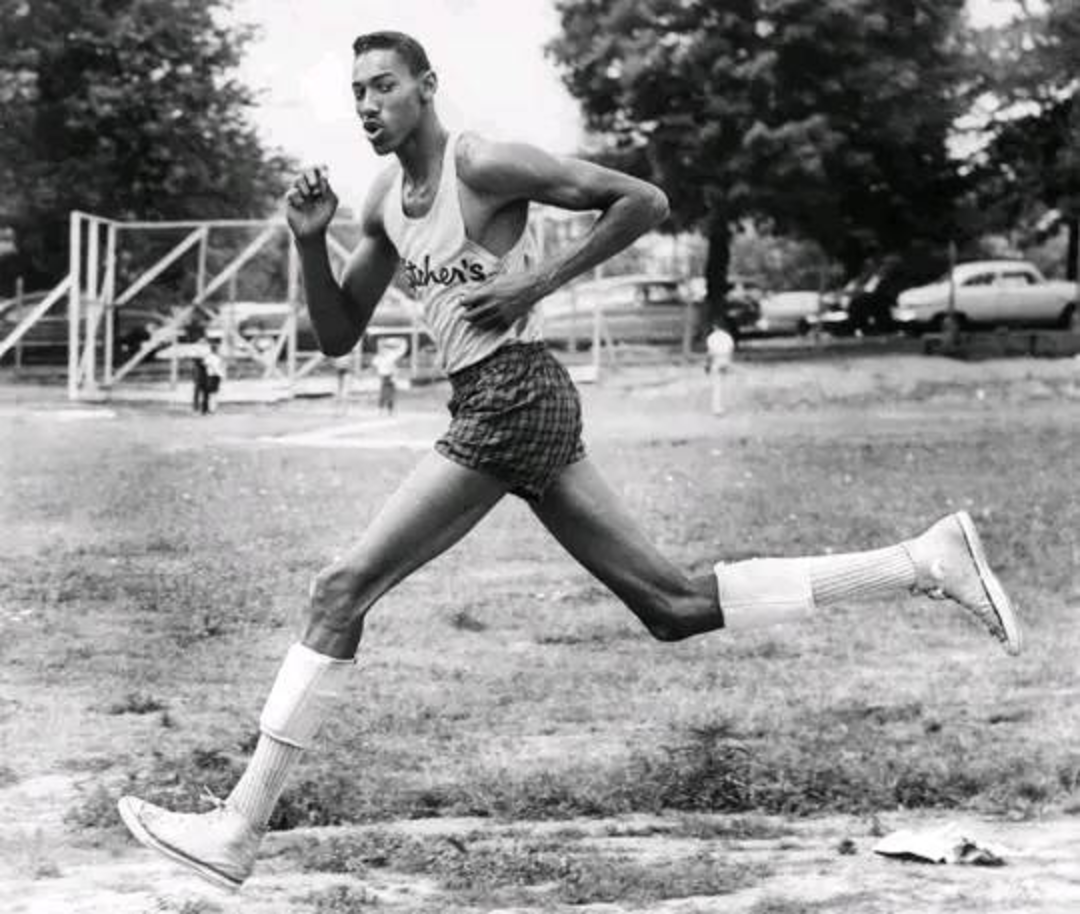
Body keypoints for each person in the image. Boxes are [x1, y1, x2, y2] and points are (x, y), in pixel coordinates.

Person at [118, 30, 1023, 892]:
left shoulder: (483, 163)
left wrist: (537, 282)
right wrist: (309, 240)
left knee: (338, 590)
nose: (367, 104)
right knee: (671, 607)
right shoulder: (382, 204)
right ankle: (921, 561)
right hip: (499, 402)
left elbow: (644, 201)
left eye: (384, 85)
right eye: (356, 91)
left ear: (426, 88)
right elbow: (336, 335)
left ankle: (237, 827)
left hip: (513, 397)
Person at [705, 319, 736, 415]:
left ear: (715, 327)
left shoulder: (711, 337)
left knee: (717, 385)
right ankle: (724, 405)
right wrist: (729, 363)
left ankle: (717, 408)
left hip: (716, 360)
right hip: (725, 359)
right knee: (724, 384)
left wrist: (707, 365)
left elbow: (710, 353)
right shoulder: (728, 337)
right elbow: (731, 351)